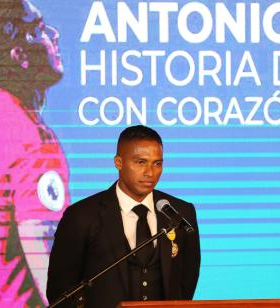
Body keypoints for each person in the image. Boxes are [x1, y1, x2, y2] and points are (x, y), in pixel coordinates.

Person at [47, 125, 201, 307]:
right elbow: (61, 290)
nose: (150, 172)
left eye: (157, 163)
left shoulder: (180, 212)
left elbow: (187, 279)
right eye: (140, 162)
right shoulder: (81, 216)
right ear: (118, 162)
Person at [0, 0, 69, 306]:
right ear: (18, 55)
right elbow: (55, 279)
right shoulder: (32, 139)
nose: (55, 35)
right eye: (40, 30)